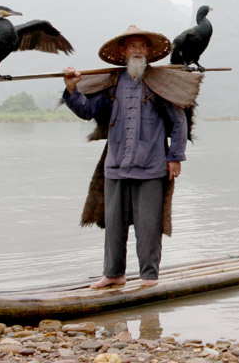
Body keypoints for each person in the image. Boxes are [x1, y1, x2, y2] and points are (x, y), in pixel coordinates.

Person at [62, 25, 189, 289]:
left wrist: (175, 157)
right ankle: (113, 274)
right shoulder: (111, 83)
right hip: (117, 164)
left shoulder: (160, 82)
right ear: (122, 51)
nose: (138, 51)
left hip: (152, 163)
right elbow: (88, 112)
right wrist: (72, 90)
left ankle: (149, 277)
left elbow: (179, 121)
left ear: (149, 52)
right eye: (133, 46)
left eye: (143, 46)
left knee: (148, 226)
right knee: (114, 224)